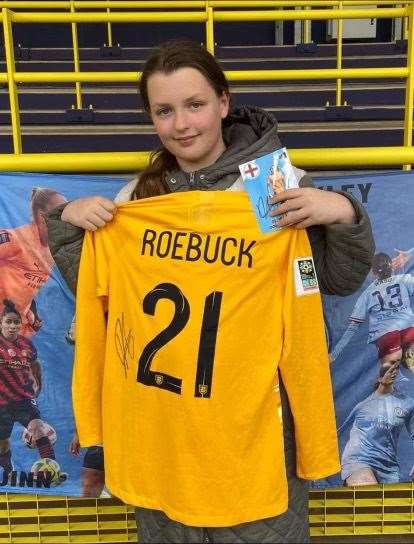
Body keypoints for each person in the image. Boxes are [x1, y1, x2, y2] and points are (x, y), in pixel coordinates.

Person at [46, 41, 375, 544]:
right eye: (164, 110)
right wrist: (70, 224)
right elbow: (107, 297)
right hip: (164, 433)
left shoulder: (271, 185)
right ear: (151, 117)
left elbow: (335, 281)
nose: (182, 124)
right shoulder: (141, 197)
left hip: (252, 433)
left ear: (224, 102)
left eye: (195, 104)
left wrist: (344, 215)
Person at [0, 299, 64, 483]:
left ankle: (52, 474)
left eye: (16, 322)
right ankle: (8, 471)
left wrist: (39, 384)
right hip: (2, 403)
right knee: (2, 445)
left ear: (20, 324)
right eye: (8, 322)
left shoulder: (27, 345)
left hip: (24, 399)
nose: (12, 326)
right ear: (1, 323)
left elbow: (35, 366)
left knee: (38, 429)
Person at [0, 187, 66, 337]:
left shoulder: (52, 249)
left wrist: (31, 309)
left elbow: (27, 283)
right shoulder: (16, 238)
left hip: (17, 326)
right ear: (44, 216)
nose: (67, 218)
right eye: (62, 213)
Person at [330, 252, 414, 368]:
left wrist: (334, 354)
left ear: (373, 273)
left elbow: (353, 327)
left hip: (386, 336)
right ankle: (408, 355)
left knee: (386, 379)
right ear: (392, 267)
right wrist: (409, 254)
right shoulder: (404, 279)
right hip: (409, 330)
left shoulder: (367, 294)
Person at [340, 360, 414, 485]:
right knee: (367, 491)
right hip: (358, 460)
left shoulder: (407, 403)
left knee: (388, 503)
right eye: (388, 371)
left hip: (388, 467)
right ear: (380, 378)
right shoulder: (362, 405)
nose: (392, 373)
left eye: (394, 371)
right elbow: (337, 431)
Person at [69, 429, 105, 497]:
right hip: (99, 444)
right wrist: (77, 435)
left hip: (125, 444)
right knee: (89, 493)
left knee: (121, 495)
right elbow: (81, 418)